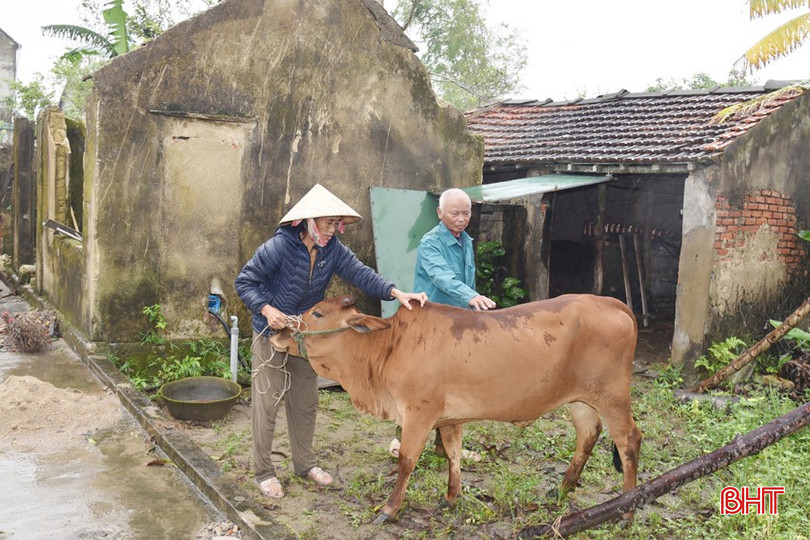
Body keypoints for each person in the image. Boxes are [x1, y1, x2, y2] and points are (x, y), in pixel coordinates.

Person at [235, 183, 427, 499]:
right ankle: (263, 472)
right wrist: (267, 309)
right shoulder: (277, 248)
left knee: (305, 400)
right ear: (309, 221)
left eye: (338, 223)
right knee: (267, 403)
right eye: (329, 222)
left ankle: (305, 464)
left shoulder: (333, 250)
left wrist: (395, 292)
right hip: (270, 332)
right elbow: (245, 282)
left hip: (306, 334)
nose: (334, 229)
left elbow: (362, 274)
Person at [388, 187, 495, 460]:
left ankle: (445, 445)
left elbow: (466, 280)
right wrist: (472, 297)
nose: (461, 218)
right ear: (440, 213)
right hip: (431, 325)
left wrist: (473, 310)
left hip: (458, 325)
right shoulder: (430, 243)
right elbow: (442, 279)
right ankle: (402, 441)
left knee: (454, 386)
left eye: (466, 213)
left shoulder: (466, 241)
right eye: (455, 213)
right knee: (421, 387)